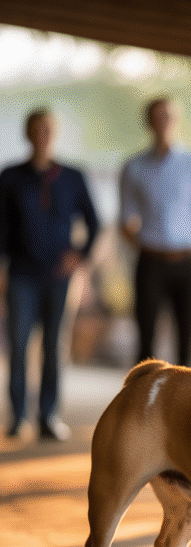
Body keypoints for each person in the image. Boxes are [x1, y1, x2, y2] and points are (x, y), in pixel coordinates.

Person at [0, 107, 99, 440]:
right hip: (20, 275)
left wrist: (80, 257)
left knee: (55, 346)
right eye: (35, 129)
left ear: (53, 133)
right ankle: (18, 418)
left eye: (47, 129)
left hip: (59, 275)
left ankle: (48, 415)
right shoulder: (10, 176)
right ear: (28, 134)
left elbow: (94, 223)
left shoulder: (72, 176)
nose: (41, 134)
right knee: (18, 345)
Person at [119, 97, 191, 367]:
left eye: (168, 116)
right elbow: (126, 219)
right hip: (151, 262)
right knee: (145, 344)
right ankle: (143, 407)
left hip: (189, 263)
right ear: (148, 122)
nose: (163, 121)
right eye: (157, 116)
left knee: (188, 343)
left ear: (176, 120)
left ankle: (184, 408)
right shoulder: (134, 167)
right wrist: (148, 245)